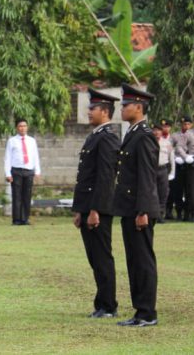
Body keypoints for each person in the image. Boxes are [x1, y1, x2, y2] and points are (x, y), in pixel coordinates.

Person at [113, 83, 159, 328]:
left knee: (142, 260)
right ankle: (139, 310)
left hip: (139, 210)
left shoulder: (144, 136)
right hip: (129, 208)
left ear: (138, 107)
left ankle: (148, 312)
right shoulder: (132, 133)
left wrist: (143, 210)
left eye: (126, 105)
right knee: (133, 260)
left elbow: (146, 176)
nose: (122, 108)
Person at [72, 88, 120, 318]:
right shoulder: (95, 136)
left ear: (105, 111)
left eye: (92, 108)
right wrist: (80, 210)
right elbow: (85, 177)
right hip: (88, 208)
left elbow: (105, 178)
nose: (88, 112)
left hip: (98, 209)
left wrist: (95, 210)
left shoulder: (108, 137)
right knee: (94, 258)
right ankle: (101, 303)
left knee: (102, 257)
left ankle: (108, 305)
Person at [4, 119, 41, 225]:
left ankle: (25, 218)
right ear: (17, 128)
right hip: (16, 171)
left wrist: (37, 171)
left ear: (27, 127)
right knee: (16, 196)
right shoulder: (12, 141)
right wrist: (8, 173)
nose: (23, 128)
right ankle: (16, 219)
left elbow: (35, 156)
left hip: (29, 170)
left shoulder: (31, 141)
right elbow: (7, 158)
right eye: (20, 126)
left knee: (27, 196)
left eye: (24, 126)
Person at [167, 116, 193, 220]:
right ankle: (178, 212)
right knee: (177, 190)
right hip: (178, 164)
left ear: (191, 125)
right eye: (184, 124)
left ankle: (187, 213)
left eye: (188, 124)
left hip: (190, 164)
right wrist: (176, 157)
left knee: (189, 190)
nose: (186, 126)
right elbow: (170, 148)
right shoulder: (174, 136)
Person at [152, 122, 175, 223]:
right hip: (152, 170)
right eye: (155, 130)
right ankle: (153, 214)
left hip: (163, 169)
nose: (156, 132)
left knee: (163, 192)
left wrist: (172, 173)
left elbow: (172, 159)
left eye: (158, 130)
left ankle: (161, 214)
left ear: (162, 132)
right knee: (153, 193)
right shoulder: (148, 142)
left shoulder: (167, 143)